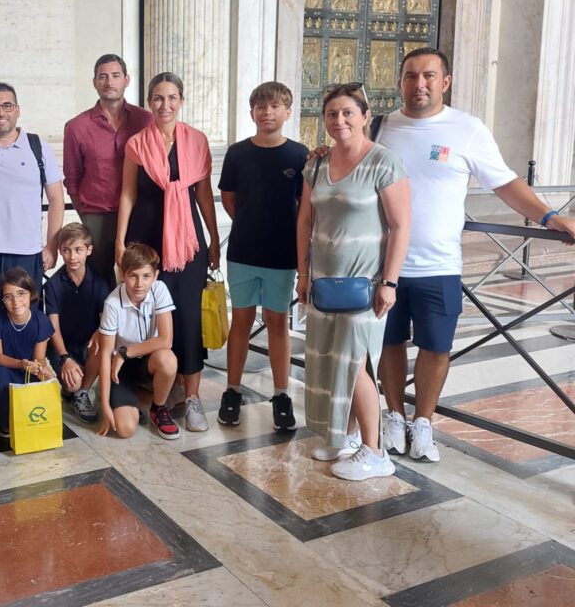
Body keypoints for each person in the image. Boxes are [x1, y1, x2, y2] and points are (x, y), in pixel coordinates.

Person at [374, 48, 575, 462]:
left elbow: (504, 183)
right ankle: (393, 415)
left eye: (429, 75)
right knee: (388, 342)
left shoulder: (467, 129)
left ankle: (423, 422)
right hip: (383, 264)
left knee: (436, 346)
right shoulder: (381, 127)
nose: (419, 83)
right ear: (400, 82)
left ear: (445, 81)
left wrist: (550, 216)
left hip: (439, 265)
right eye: (410, 76)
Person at [296, 83, 410, 481]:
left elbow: (400, 225)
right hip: (325, 281)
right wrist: (304, 274)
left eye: (347, 113)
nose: (339, 121)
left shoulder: (383, 162)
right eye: (331, 114)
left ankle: (375, 452)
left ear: (364, 116)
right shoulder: (316, 164)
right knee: (330, 358)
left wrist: (390, 282)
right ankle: (340, 435)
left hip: (365, 284)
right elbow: (305, 222)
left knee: (357, 362)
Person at [116, 72, 221, 433]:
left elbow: (203, 194)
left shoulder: (196, 141)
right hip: (146, 240)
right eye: (158, 98)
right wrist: (119, 241)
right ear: (149, 102)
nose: (165, 105)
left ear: (182, 101)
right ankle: (157, 382)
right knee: (149, 313)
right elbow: (128, 193)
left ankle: (191, 398)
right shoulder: (137, 144)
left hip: (188, 241)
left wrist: (214, 237)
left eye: (172, 97)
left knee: (188, 316)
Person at [217, 82, 308, 431]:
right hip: (243, 251)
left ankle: (282, 394)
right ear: (251, 112)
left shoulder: (298, 155)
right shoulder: (238, 153)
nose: (267, 112)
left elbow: (305, 209)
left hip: (282, 255)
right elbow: (229, 196)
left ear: (287, 112)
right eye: (260, 106)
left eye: (274, 106)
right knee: (240, 321)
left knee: (277, 323)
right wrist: (248, 222)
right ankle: (232, 390)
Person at [0, 82, 65, 323]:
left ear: (18, 109)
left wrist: (51, 245)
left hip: (27, 253)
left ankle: (28, 363)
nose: (1, 113)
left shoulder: (36, 146)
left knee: (25, 320)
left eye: (7, 106)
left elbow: (56, 199)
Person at [63, 54, 153, 285]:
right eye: (102, 76)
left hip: (139, 213)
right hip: (98, 217)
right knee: (99, 283)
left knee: (139, 280)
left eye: (115, 75)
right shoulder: (76, 127)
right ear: (94, 82)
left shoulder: (146, 120)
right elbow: (72, 179)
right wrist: (87, 215)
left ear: (126, 80)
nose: (109, 82)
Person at [96, 244, 179, 440]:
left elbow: (166, 340)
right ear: (123, 274)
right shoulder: (112, 303)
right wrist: (106, 405)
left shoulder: (159, 290)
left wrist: (126, 353)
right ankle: (131, 397)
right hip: (119, 370)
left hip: (146, 361)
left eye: (146, 276)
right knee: (125, 430)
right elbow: (106, 354)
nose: (139, 284)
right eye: (133, 276)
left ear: (155, 276)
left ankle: (158, 409)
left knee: (167, 359)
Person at [44, 222, 110, 422]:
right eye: (67, 250)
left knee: (105, 345)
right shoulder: (53, 285)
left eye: (78, 250)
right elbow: (53, 326)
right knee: (72, 384)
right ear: (60, 251)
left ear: (89, 250)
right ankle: (73, 388)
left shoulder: (99, 281)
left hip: (89, 345)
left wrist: (98, 336)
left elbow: (104, 321)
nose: (72, 257)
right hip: (63, 347)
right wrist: (65, 358)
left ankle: (82, 393)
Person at [0, 268, 55, 438]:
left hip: (29, 368)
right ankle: (1, 421)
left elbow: (40, 358)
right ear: (2, 300)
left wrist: (41, 369)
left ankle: (27, 417)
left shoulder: (41, 320)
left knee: (46, 380)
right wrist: (21, 364)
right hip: (4, 367)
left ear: (30, 293)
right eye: (8, 297)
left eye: (21, 293)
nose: (16, 301)